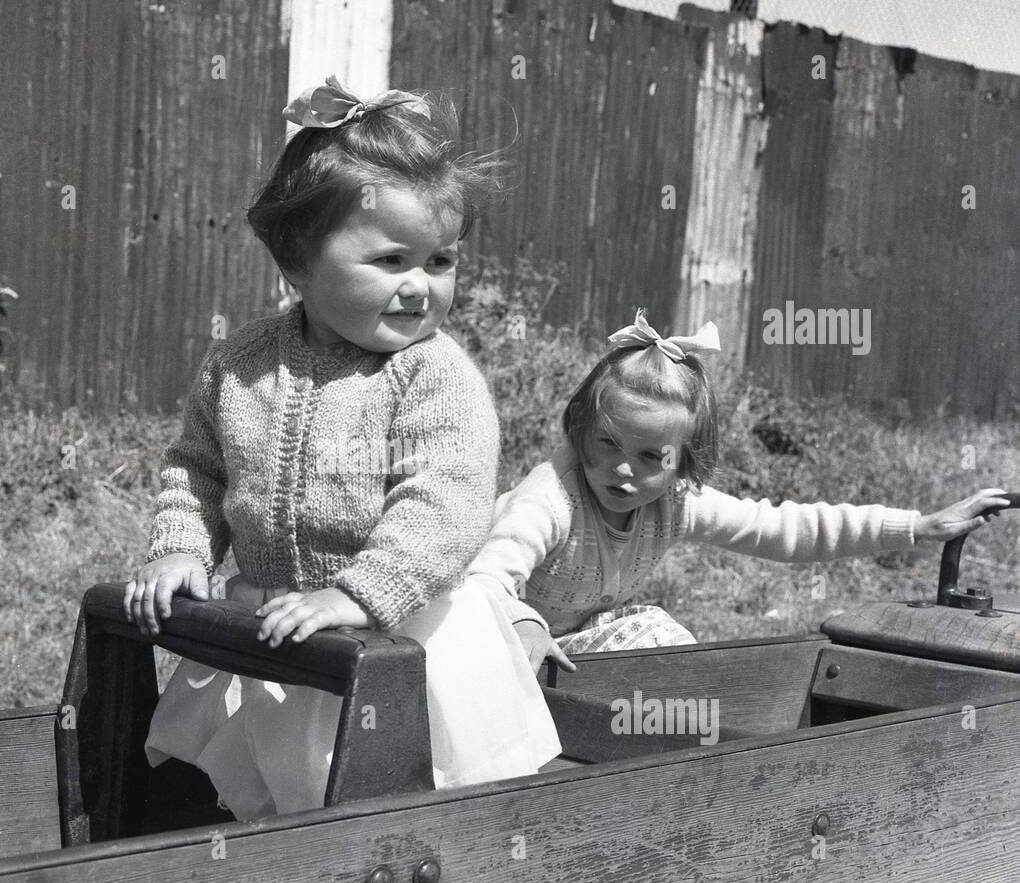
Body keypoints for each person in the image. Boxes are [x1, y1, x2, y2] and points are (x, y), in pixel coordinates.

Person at [125, 76, 561, 819]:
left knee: (405, 800)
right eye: (392, 262)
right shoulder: (241, 364)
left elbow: (444, 505)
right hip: (280, 632)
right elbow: (197, 468)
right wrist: (180, 548)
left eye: (441, 261)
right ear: (297, 260)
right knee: (285, 794)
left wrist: (356, 595)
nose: (421, 288)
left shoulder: (435, 376)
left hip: (407, 637)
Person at [467, 308, 1011, 671]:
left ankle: (657, 762)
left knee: (665, 643)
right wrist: (521, 627)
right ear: (580, 428)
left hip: (559, 647)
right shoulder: (550, 500)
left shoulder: (670, 505)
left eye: (651, 456)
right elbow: (484, 579)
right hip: (482, 637)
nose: (623, 470)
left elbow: (781, 528)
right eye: (608, 443)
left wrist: (917, 527)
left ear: (684, 466)